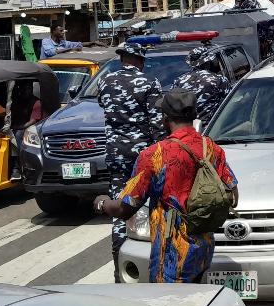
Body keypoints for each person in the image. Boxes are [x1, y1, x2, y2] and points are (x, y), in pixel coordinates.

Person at [95, 89, 238, 284]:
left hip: (172, 255)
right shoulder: (211, 149)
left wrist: (102, 203)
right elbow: (233, 194)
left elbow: (125, 208)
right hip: (204, 250)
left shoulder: (155, 155)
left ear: (165, 119)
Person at [97, 42, 163, 278]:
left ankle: (119, 266)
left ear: (122, 58)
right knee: (147, 205)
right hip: (142, 156)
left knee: (119, 206)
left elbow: (103, 106)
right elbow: (157, 125)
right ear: (140, 60)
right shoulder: (149, 82)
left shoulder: (105, 81)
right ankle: (149, 264)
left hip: (115, 153)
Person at [171, 46, 232, 130]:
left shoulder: (179, 81)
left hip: (186, 129)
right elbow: (230, 103)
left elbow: (173, 104)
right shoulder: (219, 80)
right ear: (208, 62)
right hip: (211, 129)